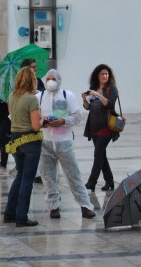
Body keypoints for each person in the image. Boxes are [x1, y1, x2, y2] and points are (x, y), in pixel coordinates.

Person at [38, 69, 96, 219]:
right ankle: (53, 206)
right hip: (46, 142)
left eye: (53, 79)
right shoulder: (40, 96)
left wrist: (63, 121)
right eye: (48, 79)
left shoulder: (67, 95)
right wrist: (44, 122)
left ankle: (85, 206)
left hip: (64, 142)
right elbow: (35, 118)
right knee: (48, 176)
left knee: (73, 175)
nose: (50, 81)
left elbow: (77, 116)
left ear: (59, 80)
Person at [4, 65, 44, 227]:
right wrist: (43, 119)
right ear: (32, 80)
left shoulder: (12, 96)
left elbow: (12, 117)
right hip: (30, 141)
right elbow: (35, 126)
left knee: (20, 177)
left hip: (15, 140)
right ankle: (21, 216)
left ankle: (9, 213)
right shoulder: (31, 99)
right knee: (28, 179)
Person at [82, 63, 119, 191]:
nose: (105, 76)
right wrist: (85, 100)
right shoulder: (94, 87)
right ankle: (109, 182)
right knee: (101, 155)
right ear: (97, 76)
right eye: (102, 74)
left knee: (98, 154)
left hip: (107, 126)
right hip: (93, 127)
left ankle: (91, 182)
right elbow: (88, 107)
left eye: (107, 74)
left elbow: (109, 104)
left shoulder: (111, 89)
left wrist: (97, 95)